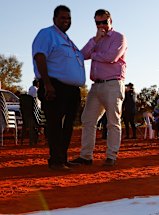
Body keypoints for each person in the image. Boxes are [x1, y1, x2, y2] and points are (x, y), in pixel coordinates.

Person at [32, 5, 86, 171]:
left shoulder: (68, 41)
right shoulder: (47, 34)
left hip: (71, 90)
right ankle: (55, 161)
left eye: (69, 18)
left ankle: (63, 158)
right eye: (63, 18)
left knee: (68, 125)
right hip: (55, 86)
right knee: (55, 124)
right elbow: (40, 56)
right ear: (54, 19)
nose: (66, 21)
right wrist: (47, 84)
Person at [71, 9, 127, 167]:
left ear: (111, 21)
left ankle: (111, 156)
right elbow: (81, 55)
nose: (102, 25)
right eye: (98, 23)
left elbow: (111, 57)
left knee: (113, 121)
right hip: (96, 86)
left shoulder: (119, 38)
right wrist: (95, 41)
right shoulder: (95, 39)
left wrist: (94, 55)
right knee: (88, 120)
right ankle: (86, 156)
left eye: (104, 22)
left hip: (113, 84)